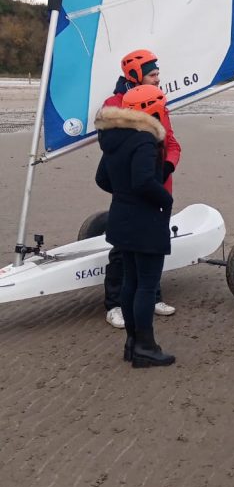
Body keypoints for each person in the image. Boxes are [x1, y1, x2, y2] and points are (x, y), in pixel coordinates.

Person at [95, 85, 175, 368]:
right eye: (160, 107)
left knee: (131, 281)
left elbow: (102, 178)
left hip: (121, 217)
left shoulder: (115, 137)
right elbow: (143, 181)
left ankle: (132, 343)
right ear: (149, 109)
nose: (163, 112)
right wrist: (165, 198)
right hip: (145, 221)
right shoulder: (143, 139)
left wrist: (123, 192)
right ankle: (145, 346)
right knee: (146, 286)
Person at [101, 50, 181, 328]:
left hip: (158, 187)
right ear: (135, 76)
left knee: (154, 244)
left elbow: (171, 143)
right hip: (132, 192)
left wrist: (166, 168)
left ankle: (153, 294)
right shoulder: (114, 105)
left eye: (158, 73)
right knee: (123, 250)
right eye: (152, 74)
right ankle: (114, 304)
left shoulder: (159, 103)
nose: (158, 78)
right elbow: (111, 153)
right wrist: (126, 185)